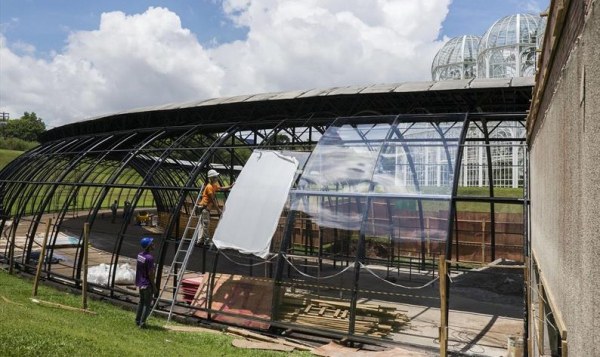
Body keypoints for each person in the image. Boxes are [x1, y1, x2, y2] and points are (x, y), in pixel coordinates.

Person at [197, 169, 233, 245]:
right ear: (213, 178)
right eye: (216, 177)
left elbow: (222, 188)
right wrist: (218, 210)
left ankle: (199, 240)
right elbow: (212, 200)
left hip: (203, 207)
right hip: (205, 207)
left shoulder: (214, 185)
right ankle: (207, 241)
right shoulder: (209, 187)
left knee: (202, 224)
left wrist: (230, 186)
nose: (217, 178)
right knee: (206, 224)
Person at [135, 237, 157, 328]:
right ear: (149, 246)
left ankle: (137, 320)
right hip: (147, 284)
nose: (154, 244)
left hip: (141, 283)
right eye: (152, 243)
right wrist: (154, 286)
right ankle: (142, 323)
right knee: (147, 304)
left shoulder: (140, 255)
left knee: (141, 302)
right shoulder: (150, 258)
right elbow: (151, 273)